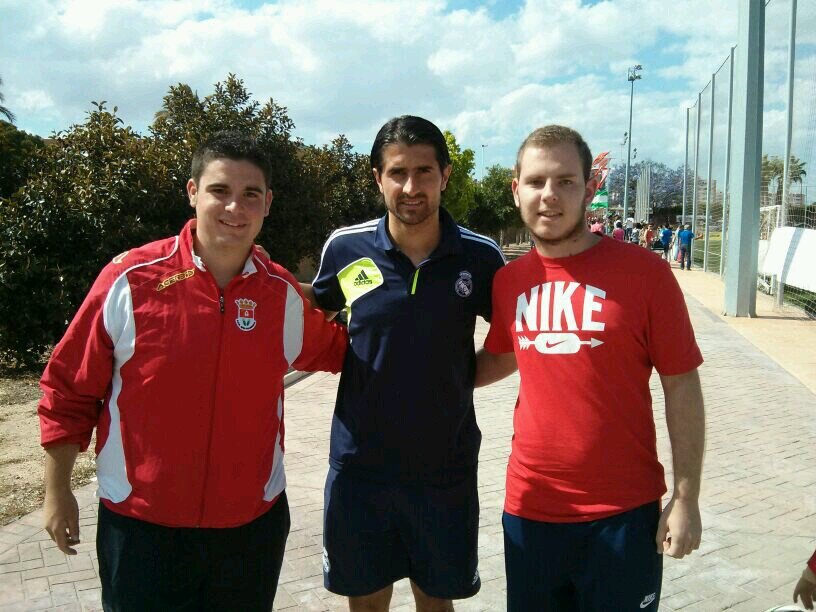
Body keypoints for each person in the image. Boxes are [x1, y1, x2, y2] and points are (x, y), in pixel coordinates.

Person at [38, 131, 348, 611]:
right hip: (141, 528)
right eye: (219, 191)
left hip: (250, 529)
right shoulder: (130, 280)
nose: (234, 208)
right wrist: (57, 493)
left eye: (250, 195)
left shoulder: (280, 293)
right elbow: (68, 389)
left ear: (268, 203)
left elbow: (339, 351)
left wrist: (388, 298)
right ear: (192, 193)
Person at [475, 125, 705, 611]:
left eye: (566, 181)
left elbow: (682, 385)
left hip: (623, 513)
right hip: (530, 509)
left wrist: (686, 498)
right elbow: (502, 355)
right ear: (515, 188)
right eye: (536, 181)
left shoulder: (646, 275)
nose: (549, 196)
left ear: (590, 187)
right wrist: (418, 375)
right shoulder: (509, 281)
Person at [305, 115, 506, 612]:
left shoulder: (479, 258)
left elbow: (511, 343)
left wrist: (460, 380)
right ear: (378, 178)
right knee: (366, 603)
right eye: (397, 173)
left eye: (424, 172)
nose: (411, 186)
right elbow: (314, 314)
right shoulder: (349, 250)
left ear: (446, 175)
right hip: (360, 471)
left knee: (436, 603)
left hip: (445, 471)